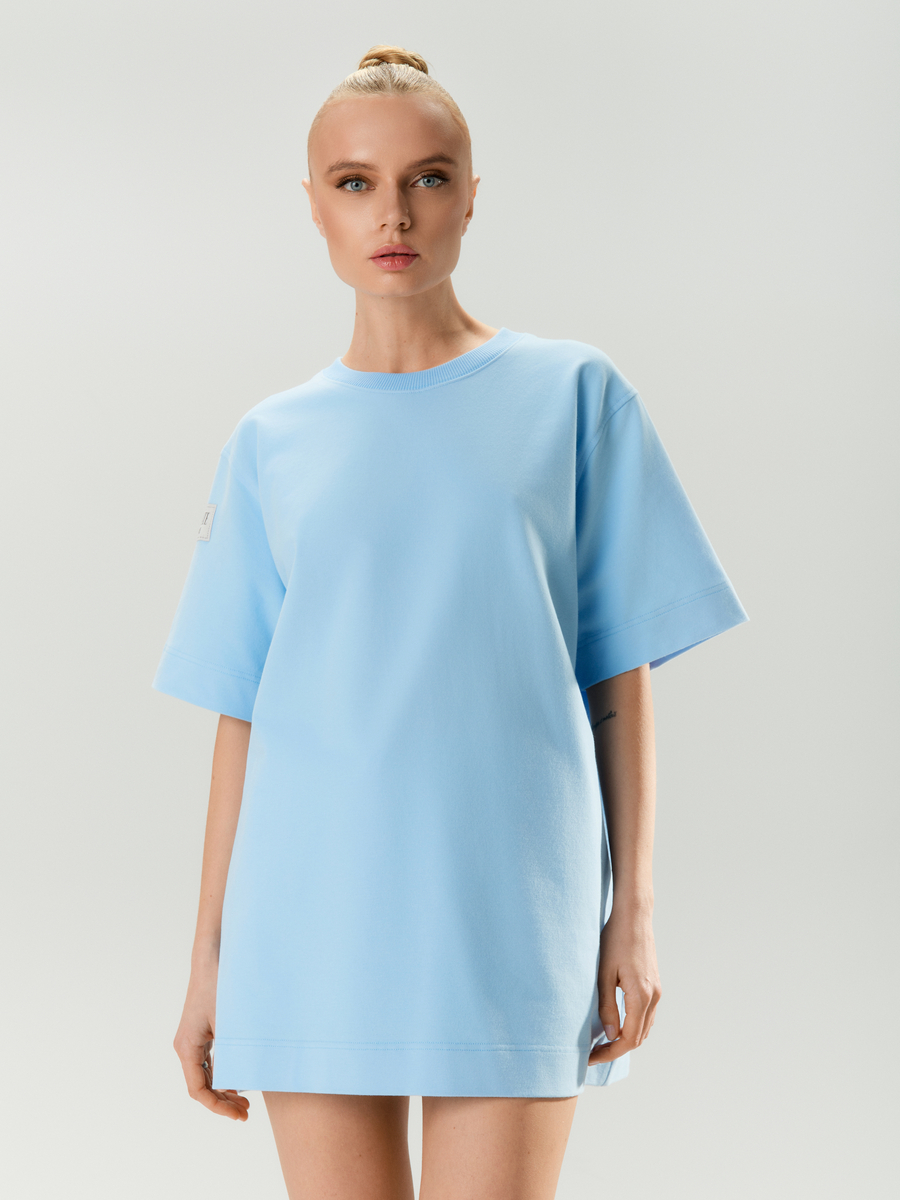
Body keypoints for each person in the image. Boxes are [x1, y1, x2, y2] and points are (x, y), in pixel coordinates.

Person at [153, 44, 748, 1200]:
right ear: (314, 204)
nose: (394, 213)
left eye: (428, 178)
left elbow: (616, 674)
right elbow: (243, 712)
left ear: (472, 196)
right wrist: (208, 961)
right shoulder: (269, 442)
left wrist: (633, 916)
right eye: (356, 182)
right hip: (310, 919)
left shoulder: (574, 395)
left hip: (511, 912)